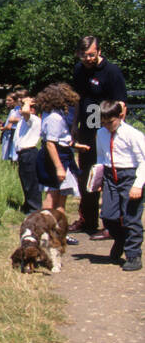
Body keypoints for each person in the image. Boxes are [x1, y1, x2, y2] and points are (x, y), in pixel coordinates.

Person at [70, 36, 129, 238]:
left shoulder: (112, 71)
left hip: (106, 127)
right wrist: (74, 125)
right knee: (86, 174)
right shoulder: (79, 70)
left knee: (108, 174)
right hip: (87, 127)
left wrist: (116, 132)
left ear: (99, 51)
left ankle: (112, 224)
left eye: (92, 55)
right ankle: (88, 219)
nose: (88, 59)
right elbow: (78, 100)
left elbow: (121, 104)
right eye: (84, 55)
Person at [94, 101, 144, 271]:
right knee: (108, 215)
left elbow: (143, 161)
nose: (107, 126)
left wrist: (138, 185)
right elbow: (101, 157)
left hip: (130, 176)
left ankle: (133, 255)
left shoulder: (133, 134)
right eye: (104, 123)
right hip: (110, 176)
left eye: (111, 122)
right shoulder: (101, 134)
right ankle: (120, 238)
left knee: (131, 217)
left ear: (121, 116)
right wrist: (98, 178)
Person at [33, 82, 81, 218]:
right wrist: (59, 167)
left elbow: (61, 139)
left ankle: (59, 230)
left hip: (61, 155)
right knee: (52, 196)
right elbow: (50, 143)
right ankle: (45, 229)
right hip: (56, 159)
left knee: (61, 197)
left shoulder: (54, 114)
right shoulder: (55, 118)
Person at [14, 93, 43, 213]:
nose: (21, 109)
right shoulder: (24, 120)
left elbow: (26, 112)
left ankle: (34, 209)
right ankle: (28, 205)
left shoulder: (33, 119)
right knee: (25, 181)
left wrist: (27, 102)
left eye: (24, 107)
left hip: (29, 152)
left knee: (31, 183)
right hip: (23, 154)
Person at [0, 92, 21, 162]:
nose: (7, 102)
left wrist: (3, 128)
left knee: (13, 155)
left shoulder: (14, 111)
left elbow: (9, 126)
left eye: (9, 100)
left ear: (15, 101)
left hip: (13, 133)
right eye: (6, 100)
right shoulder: (17, 109)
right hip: (15, 133)